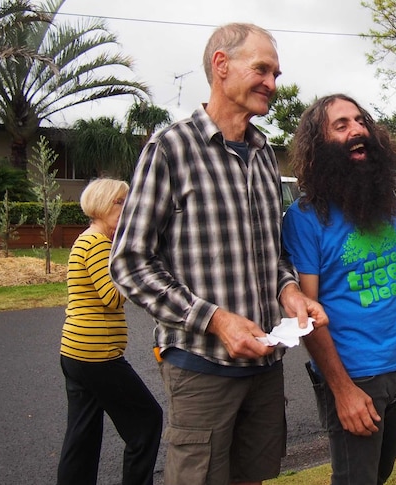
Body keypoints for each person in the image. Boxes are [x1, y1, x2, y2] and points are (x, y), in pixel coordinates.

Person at [110, 23, 327, 485]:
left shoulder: (265, 153)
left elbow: (272, 254)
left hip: (266, 366)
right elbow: (129, 262)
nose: (272, 82)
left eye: (276, 72)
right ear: (221, 66)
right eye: (262, 69)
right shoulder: (170, 148)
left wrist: (289, 292)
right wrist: (216, 319)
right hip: (201, 366)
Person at [281, 94, 396, 484]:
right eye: (341, 125)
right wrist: (341, 390)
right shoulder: (305, 218)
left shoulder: (383, 200)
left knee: (378, 475)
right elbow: (308, 312)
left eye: (361, 121)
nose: (357, 130)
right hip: (352, 378)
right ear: (319, 145)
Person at [58, 178, 162, 485]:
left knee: (82, 436)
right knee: (147, 422)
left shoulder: (87, 239)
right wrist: (133, 264)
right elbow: (112, 295)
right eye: (121, 202)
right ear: (103, 205)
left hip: (75, 353)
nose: (128, 207)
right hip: (95, 355)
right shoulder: (98, 244)